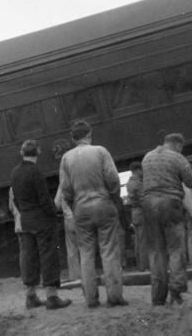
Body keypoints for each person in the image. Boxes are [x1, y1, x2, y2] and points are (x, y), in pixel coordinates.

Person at [59, 120, 127, 308]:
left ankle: (91, 299)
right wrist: (113, 200)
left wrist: (75, 207)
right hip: (104, 203)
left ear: (73, 139)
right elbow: (113, 179)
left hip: (81, 208)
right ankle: (114, 297)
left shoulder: (66, 158)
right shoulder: (100, 151)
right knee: (109, 251)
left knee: (86, 254)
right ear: (89, 135)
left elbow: (66, 189)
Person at [10, 139, 72, 310]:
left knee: (30, 257)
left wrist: (25, 213)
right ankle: (52, 297)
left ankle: (31, 297)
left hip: (26, 220)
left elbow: (16, 199)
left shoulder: (15, 173)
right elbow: (44, 199)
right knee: (48, 256)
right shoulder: (36, 172)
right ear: (38, 152)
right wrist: (53, 214)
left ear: (22, 153)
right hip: (42, 221)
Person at [141, 133, 192, 306]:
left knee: (156, 251)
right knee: (176, 248)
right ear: (179, 145)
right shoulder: (178, 157)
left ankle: (158, 297)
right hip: (170, 204)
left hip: (149, 204)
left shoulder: (147, 157)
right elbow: (191, 182)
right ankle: (176, 291)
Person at [53, 185, 81, 282]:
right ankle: (88, 274)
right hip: (83, 217)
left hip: (69, 219)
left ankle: (75, 276)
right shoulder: (81, 179)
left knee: (72, 249)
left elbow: (56, 203)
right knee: (86, 248)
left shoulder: (63, 184)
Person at [127, 161, 148, 272]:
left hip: (134, 212)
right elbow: (143, 200)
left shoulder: (129, 183)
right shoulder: (138, 183)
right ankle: (144, 265)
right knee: (144, 240)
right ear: (137, 170)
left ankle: (140, 264)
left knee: (137, 240)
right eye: (141, 170)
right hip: (141, 211)